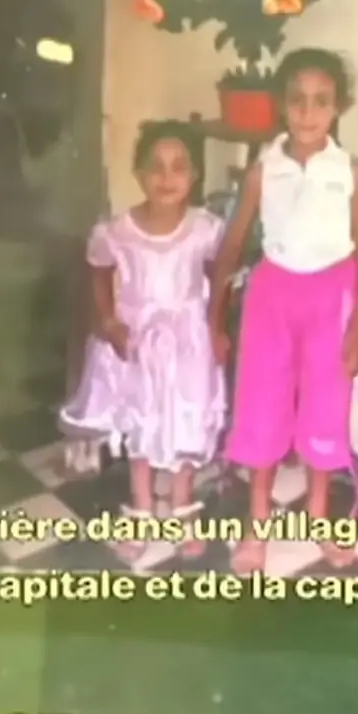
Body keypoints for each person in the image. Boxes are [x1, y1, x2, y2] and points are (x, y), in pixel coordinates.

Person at [208, 48, 358, 573]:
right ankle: (257, 523)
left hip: (331, 296)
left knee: (326, 405)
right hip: (272, 296)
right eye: (297, 100)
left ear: (338, 107)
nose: (308, 112)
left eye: (321, 101)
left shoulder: (353, 172)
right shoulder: (264, 170)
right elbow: (233, 244)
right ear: (281, 104)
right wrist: (215, 320)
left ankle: (319, 514)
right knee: (261, 405)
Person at [60, 119, 225, 563]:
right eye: (155, 166)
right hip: (137, 341)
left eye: (178, 167)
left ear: (194, 175)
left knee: (187, 418)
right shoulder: (117, 230)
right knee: (141, 419)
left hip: (189, 342)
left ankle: (182, 501)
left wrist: (217, 326)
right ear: (138, 173)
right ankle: (142, 506)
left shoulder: (206, 229)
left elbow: (219, 278)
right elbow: (99, 271)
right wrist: (108, 320)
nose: (166, 177)